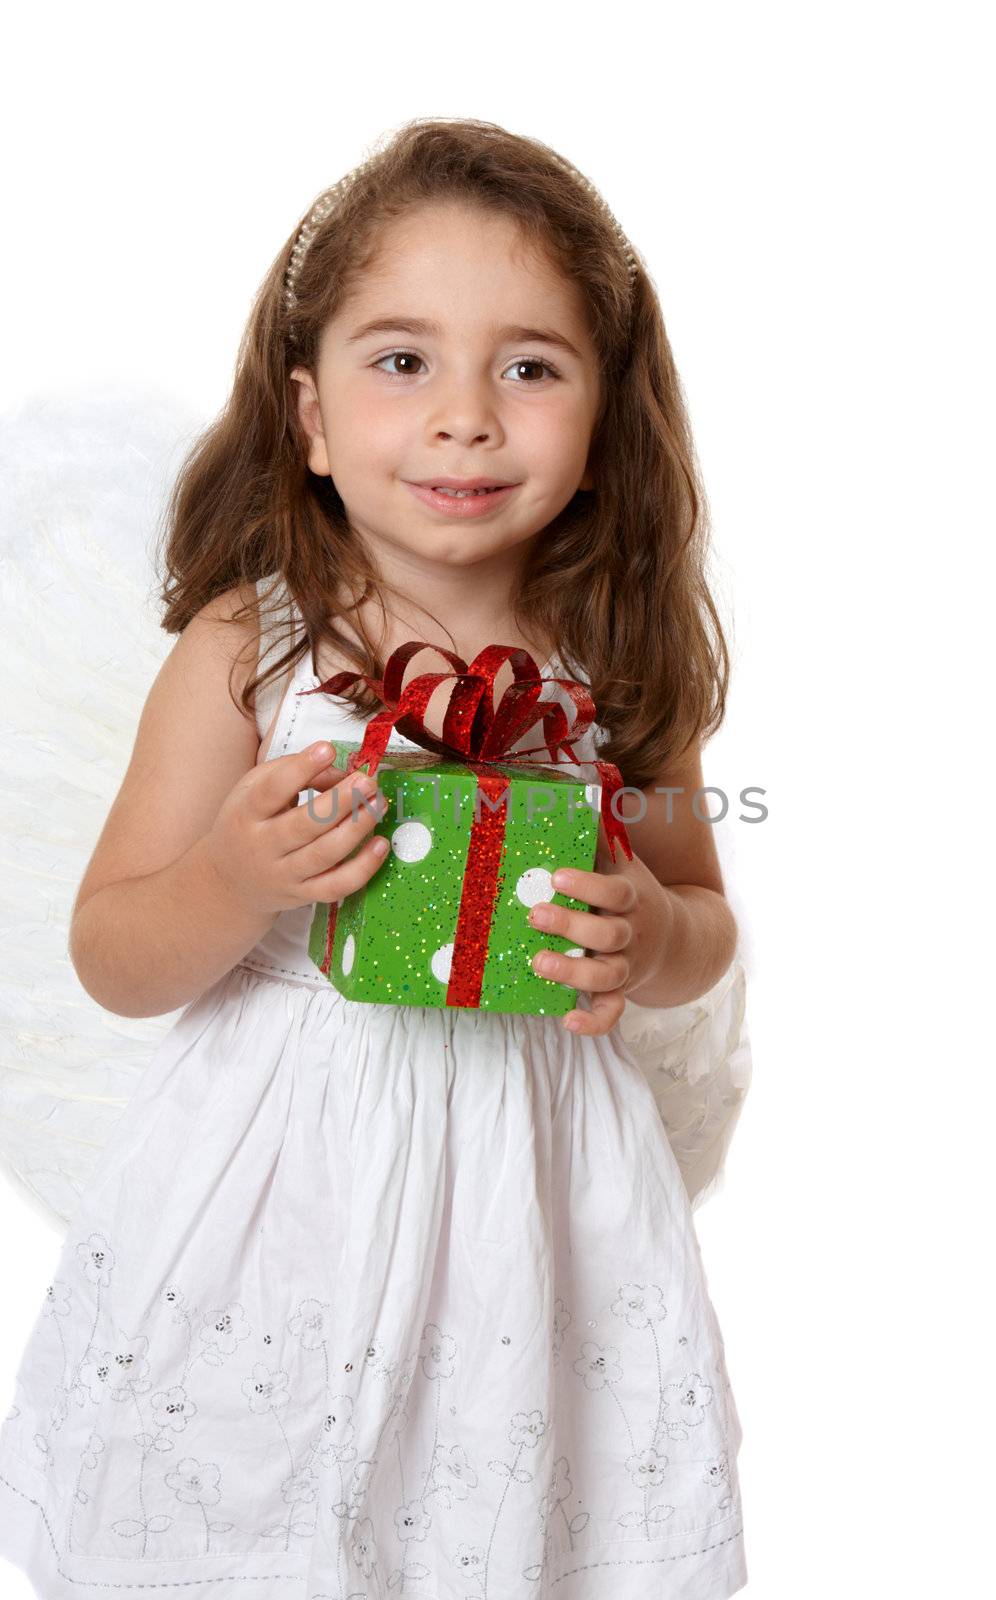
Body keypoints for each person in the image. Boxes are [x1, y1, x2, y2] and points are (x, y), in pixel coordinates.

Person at [0, 117, 751, 1598]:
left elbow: (707, 923)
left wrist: (644, 934)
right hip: (281, 1188)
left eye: (529, 365)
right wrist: (233, 876)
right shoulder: (251, 647)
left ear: (603, 417)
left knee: (515, 1527)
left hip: (534, 1198)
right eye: (401, 360)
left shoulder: (613, 657)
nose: (466, 416)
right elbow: (111, 951)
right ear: (311, 417)